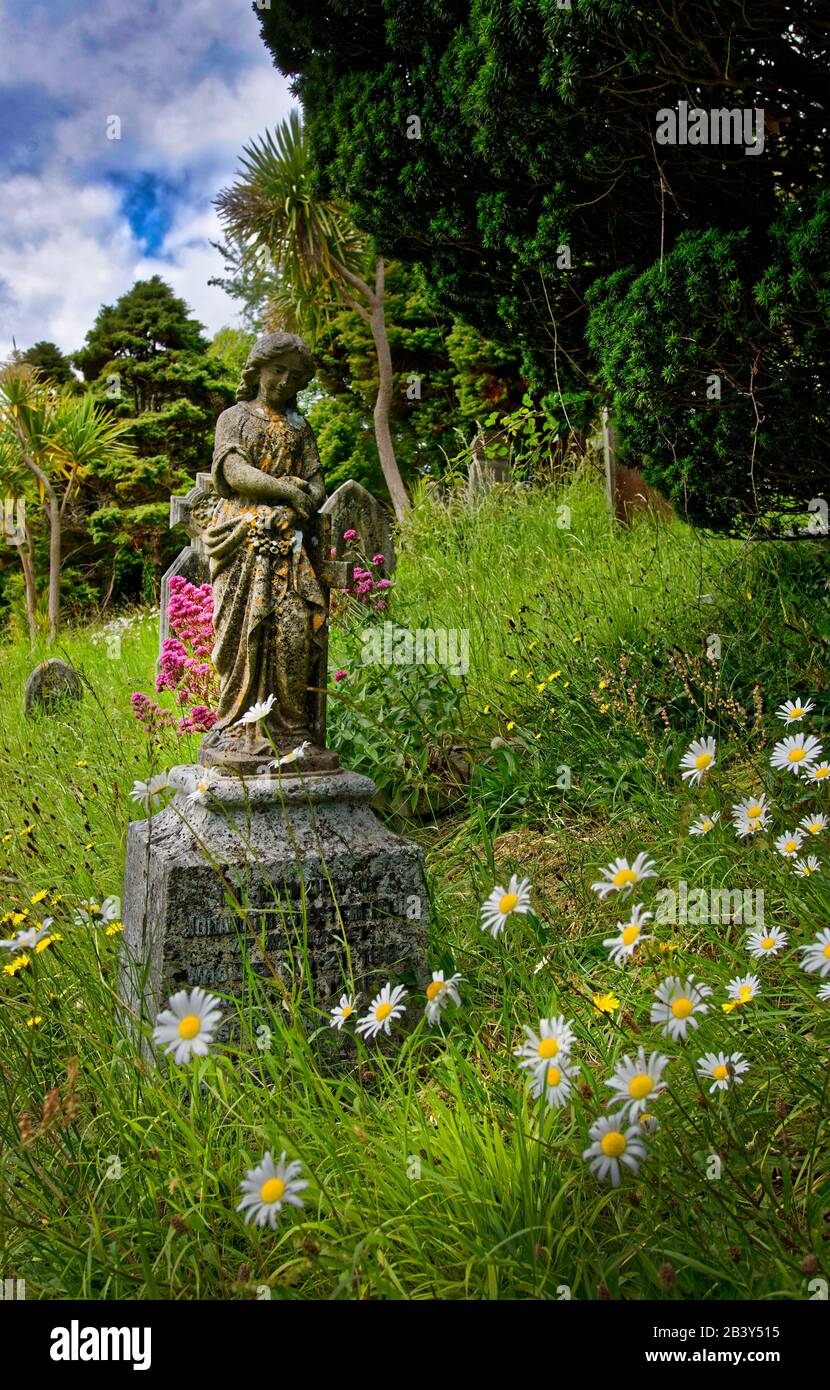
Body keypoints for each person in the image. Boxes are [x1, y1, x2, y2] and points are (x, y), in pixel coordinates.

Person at [198, 331, 332, 771]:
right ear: (257, 370)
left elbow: (315, 480)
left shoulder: (300, 426)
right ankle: (240, 724)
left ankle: (292, 728)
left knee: (294, 627)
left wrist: (302, 499)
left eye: (294, 376)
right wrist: (284, 490)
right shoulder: (233, 417)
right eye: (277, 370)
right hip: (242, 541)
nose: (284, 381)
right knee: (243, 635)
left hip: (289, 547)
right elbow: (234, 471)